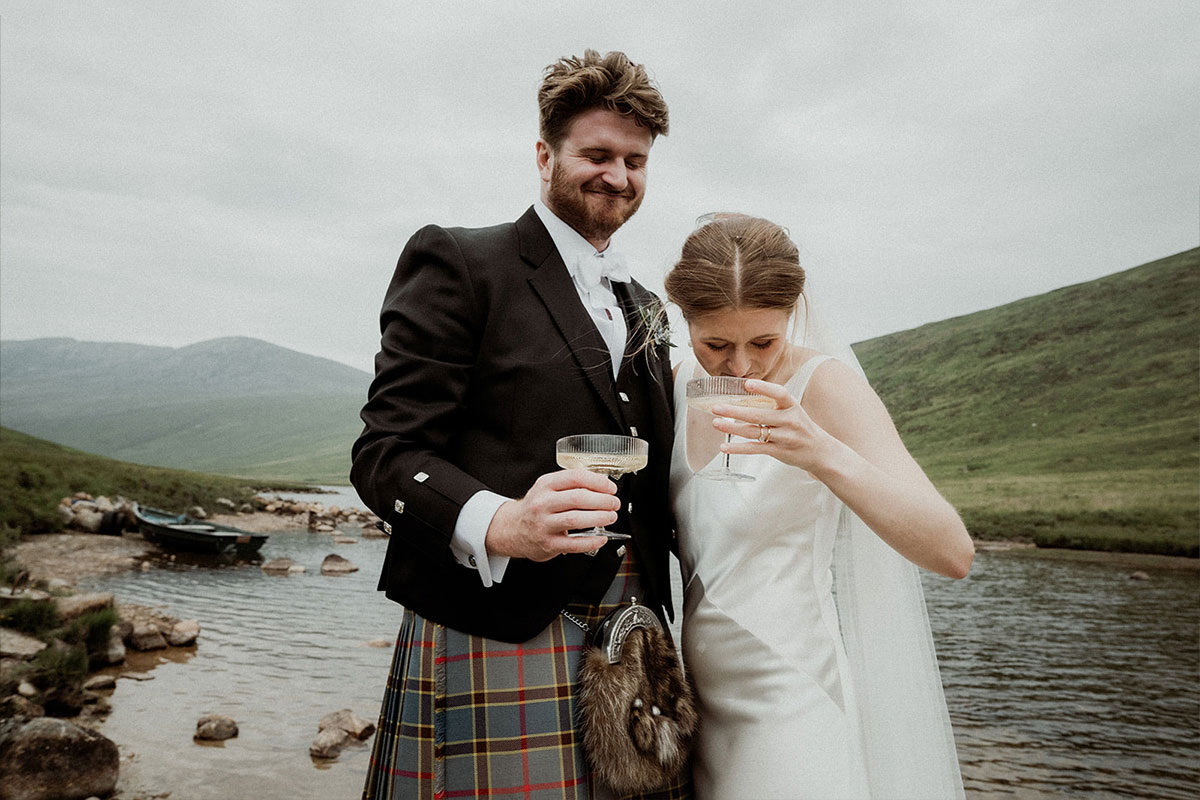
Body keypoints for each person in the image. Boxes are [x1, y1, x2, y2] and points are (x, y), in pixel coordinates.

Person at [352, 50, 689, 799]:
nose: (618, 176)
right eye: (596, 155)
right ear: (545, 155)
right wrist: (500, 521)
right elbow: (385, 453)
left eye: (635, 161)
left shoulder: (646, 305)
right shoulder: (464, 261)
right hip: (495, 621)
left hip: (635, 632)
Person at [664, 213, 974, 799]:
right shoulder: (679, 382)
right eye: (717, 344)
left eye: (763, 341)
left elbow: (951, 551)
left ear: (793, 313)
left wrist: (820, 452)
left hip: (790, 697)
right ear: (686, 321)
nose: (740, 367)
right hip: (693, 707)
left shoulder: (824, 385)